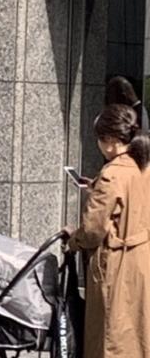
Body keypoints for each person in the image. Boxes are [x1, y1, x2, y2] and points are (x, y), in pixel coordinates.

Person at [65, 103, 150, 358]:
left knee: (110, 336)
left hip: (115, 263)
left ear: (110, 140)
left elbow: (93, 230)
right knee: (136, 331)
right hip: (141, 258)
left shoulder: (112, 174)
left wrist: (73, 239)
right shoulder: (141, 165)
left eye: (100, 140)